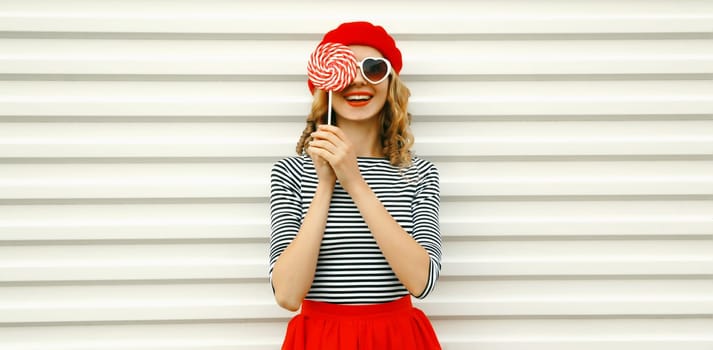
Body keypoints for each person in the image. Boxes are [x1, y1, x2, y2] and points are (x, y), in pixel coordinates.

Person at [269, 21, 442, 350]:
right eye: (345, 69)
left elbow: (422, 282)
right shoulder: (291, 173)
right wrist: (325, 185)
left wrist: (355, 181)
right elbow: (288, 296)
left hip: (397, 338)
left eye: (373, 68)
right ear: (326, 83)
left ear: (390, 83)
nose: (359, 79)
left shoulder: (418, 173)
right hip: (320, 339)